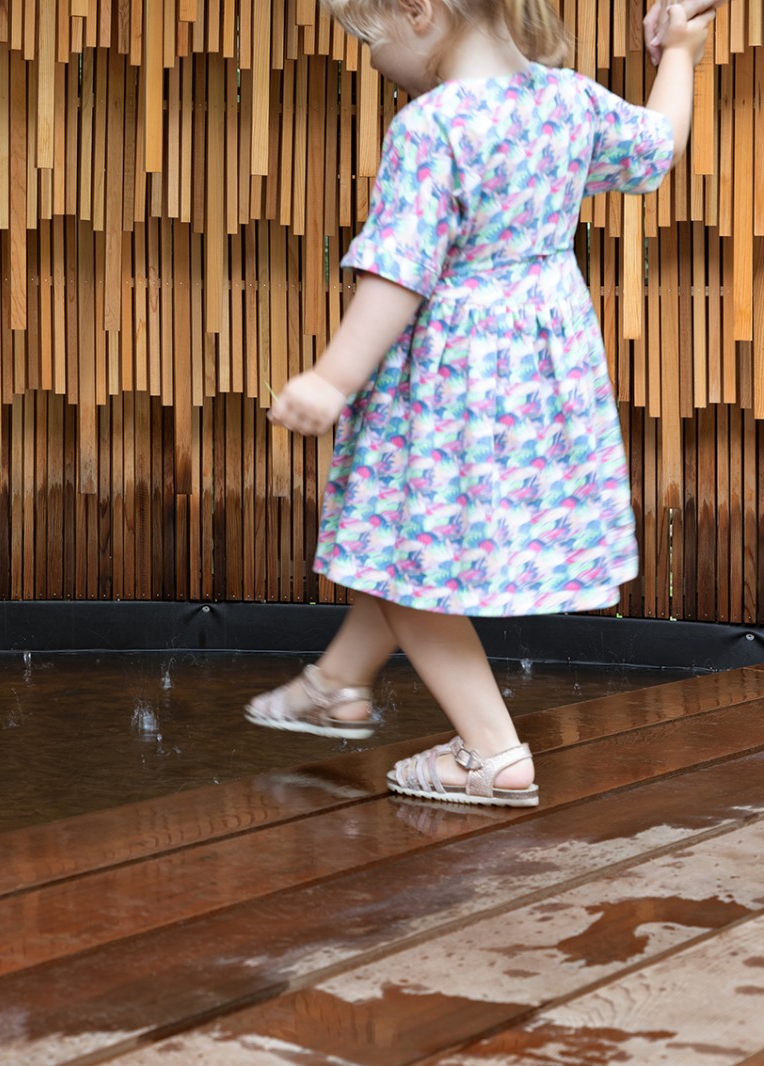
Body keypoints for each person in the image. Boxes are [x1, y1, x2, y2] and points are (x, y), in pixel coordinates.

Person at [244, 0, 716, 806]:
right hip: (540, 375)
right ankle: (337, 682)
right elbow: (657, 148)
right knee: (401, 539)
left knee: (412, 568)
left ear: (419, 12)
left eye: (370, 38)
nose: (372, 58)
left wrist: (332, 378)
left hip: (453, 381)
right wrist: (680, 50)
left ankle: (491, 754)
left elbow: (400, 272)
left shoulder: (433, 126)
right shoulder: (567, 99)